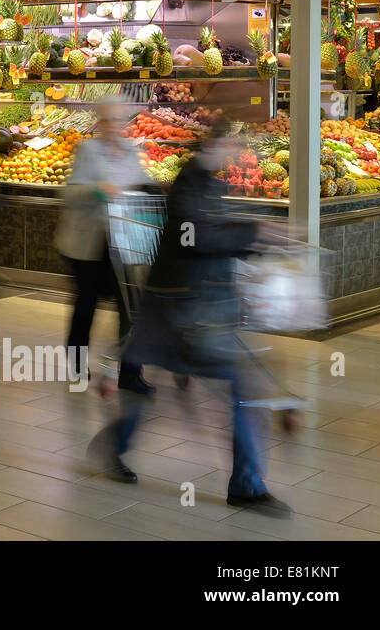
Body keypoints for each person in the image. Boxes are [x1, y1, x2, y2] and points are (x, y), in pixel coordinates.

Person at [90, 119, 290, 516]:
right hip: (184, 313)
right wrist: (254, 233)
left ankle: (113, 445)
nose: (236, 152)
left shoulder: (206, 181)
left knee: (155, 391)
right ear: (214, 144)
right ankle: (246, 485)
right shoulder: (189, 184)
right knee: (244, 388)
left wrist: (257, 238)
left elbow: (210, 234)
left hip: (184, 309)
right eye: (232, 144)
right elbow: (194, 238)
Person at [56, 96, 152, 391]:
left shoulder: (130, 152)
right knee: (86, 306)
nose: (113, 126)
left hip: (120, 241)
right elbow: (68, 195)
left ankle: (131, 373)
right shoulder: (88, 150)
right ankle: (75, 364)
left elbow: (141, 186)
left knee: (130, 308)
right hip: (86, 243)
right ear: (100, 122)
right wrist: (98, 190)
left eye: (118, 120)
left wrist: (151, 191)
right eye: (108, 120)